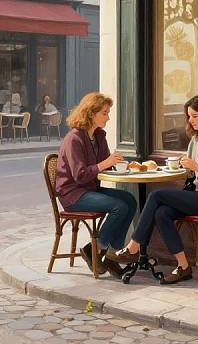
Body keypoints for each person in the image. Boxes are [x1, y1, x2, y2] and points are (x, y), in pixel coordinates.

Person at [111, 94, 198, 284]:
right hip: (197, 194)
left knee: (156, 195)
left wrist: (195, 167)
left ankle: (133, 247)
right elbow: (191, 174)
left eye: (194, 116)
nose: (190, 121)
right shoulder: (196, 140)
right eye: (189, 116)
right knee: (161, 213)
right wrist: (182, 166)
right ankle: (183, 266)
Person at [56, 92, 137, 278]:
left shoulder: (99, 135)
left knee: (129, 200)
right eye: (105, 113)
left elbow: (103, 166)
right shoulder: (74, 139)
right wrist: (105, 163)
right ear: (91, 113)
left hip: (90, 189)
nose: (108, 117)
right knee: (119, 206)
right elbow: (80, 176)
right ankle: (93, 249)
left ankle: (111, 256)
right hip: (73, 194)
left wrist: (121, 165)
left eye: (108, 112)